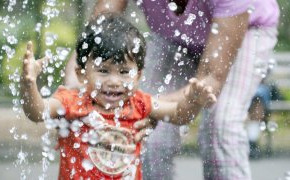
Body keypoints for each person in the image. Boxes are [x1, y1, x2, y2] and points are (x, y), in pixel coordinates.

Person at [64, 0, 280, 179]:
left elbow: (209, 80)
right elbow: (98, 29)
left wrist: (148, 106)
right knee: (147, 134)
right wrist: (73, 90)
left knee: (220, 126)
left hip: (246, 30)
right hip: (173, 38)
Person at [20, 14, 216, 179]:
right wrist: (29, 85)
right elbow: (38, 113)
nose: (114, 81)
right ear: (81, 74)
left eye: (124, 72)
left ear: (138, 75)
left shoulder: (139, 102)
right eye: (104, 71)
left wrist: (193, 101)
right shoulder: (73, 100)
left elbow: (179, 115)